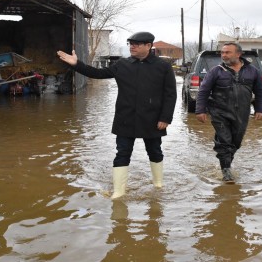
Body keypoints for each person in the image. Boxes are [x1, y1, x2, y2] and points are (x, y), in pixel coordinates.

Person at [56, 32, 177, 199]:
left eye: (136, 44)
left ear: (148, 46)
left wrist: (165, 118)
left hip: (152, 118)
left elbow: (170, 94)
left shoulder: (163, 66)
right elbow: (97, 73)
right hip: (125, 117)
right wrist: (76, 64)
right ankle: (119, 191)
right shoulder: (123, 64)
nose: (132, 46)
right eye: (130, 43)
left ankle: (158, 184)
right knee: (122, 153)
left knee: (155, 151)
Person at [195, 42, 262, 183]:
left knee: (236, 143)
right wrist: (200, 110)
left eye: (228, 52)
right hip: (219, 112)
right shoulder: (216, 71)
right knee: (224, 141)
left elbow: (260, 92)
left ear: (238, 54)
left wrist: (260, 109)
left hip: (242, 113)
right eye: (223, 53)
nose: (224, 55)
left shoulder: (253, 71)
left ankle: (225, 162)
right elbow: (203, 91)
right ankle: (226, 171)